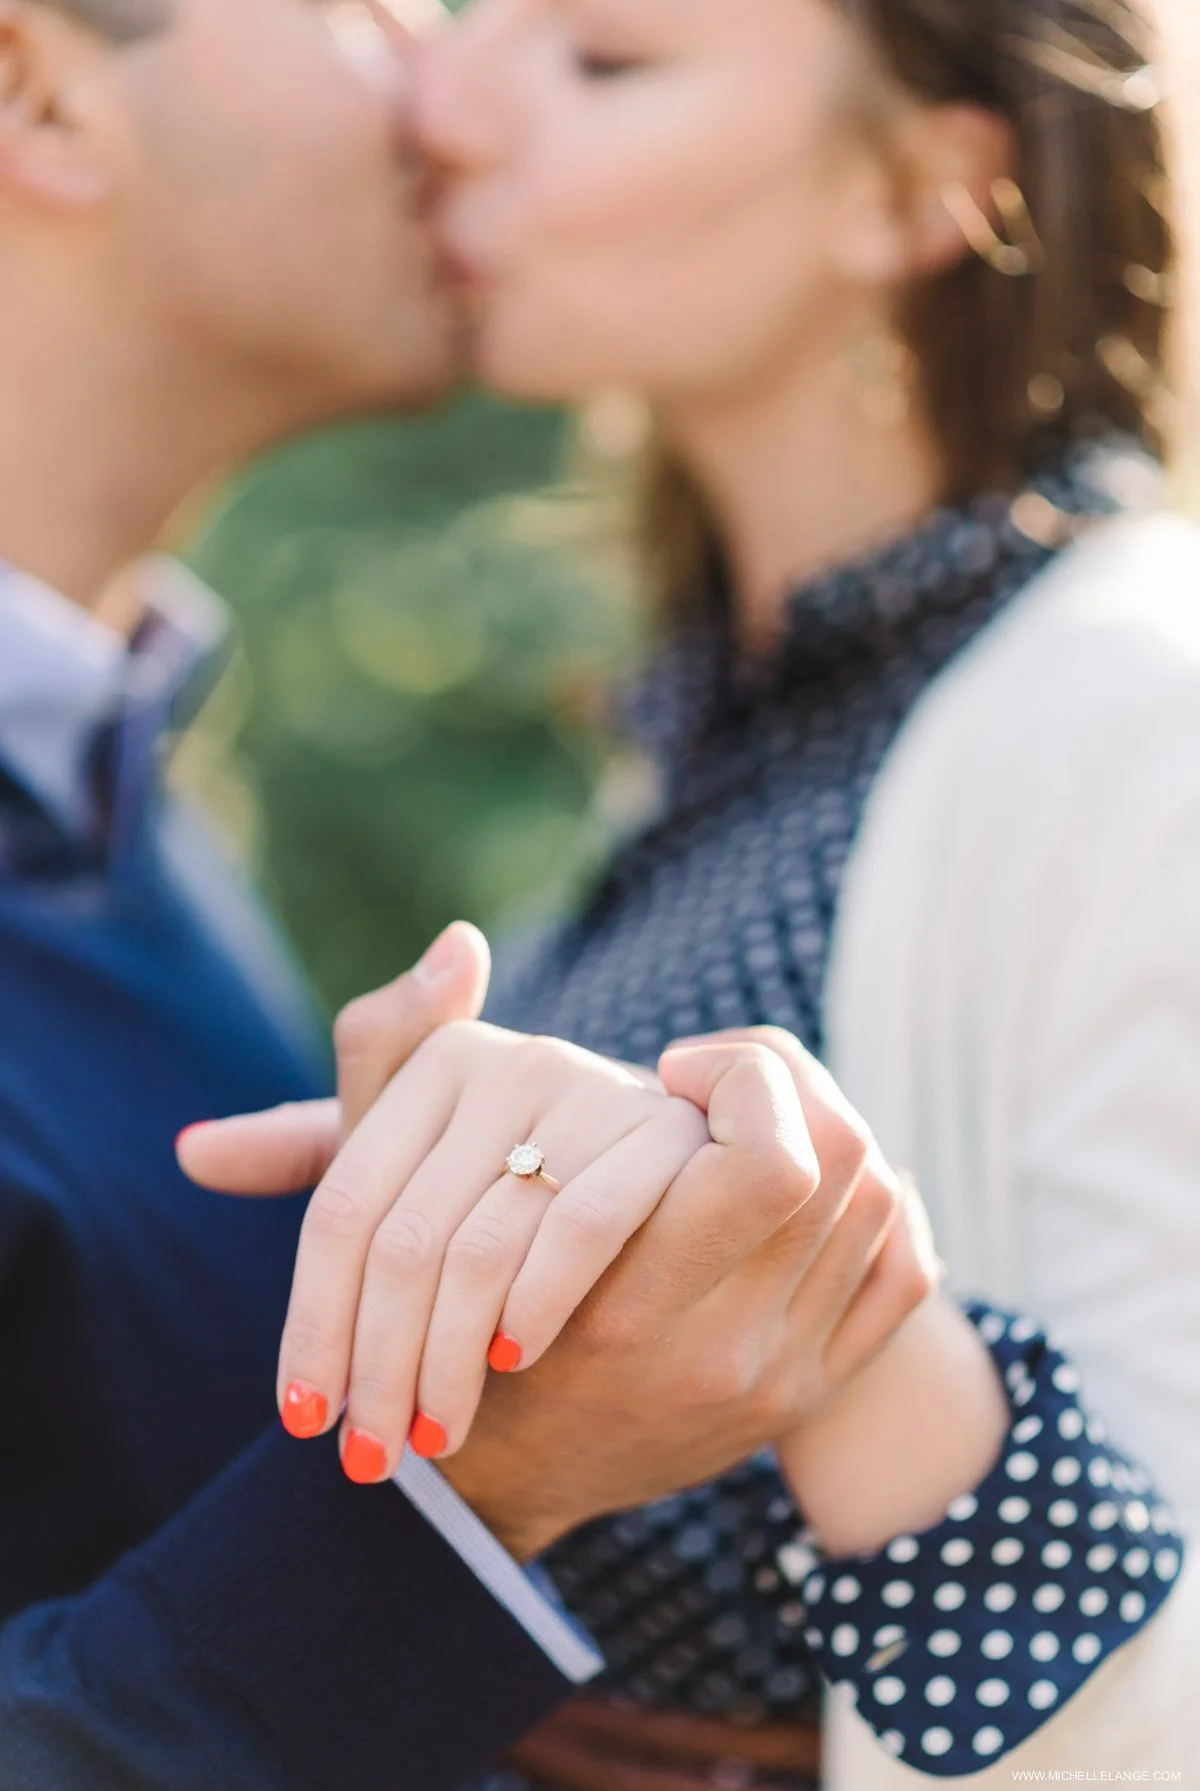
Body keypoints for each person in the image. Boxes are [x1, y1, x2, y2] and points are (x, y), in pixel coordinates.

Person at [187, 0, 1200, 1783]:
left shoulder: (1143, 717)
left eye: (607, 61)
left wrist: (823, 1317)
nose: (447, 101)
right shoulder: (730, 728)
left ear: (920, 189)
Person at [0, 1, 956, 1787]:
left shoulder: (125, 801)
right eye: (374, 10)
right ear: (39, 93)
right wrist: (464, 1504)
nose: (448, 91)